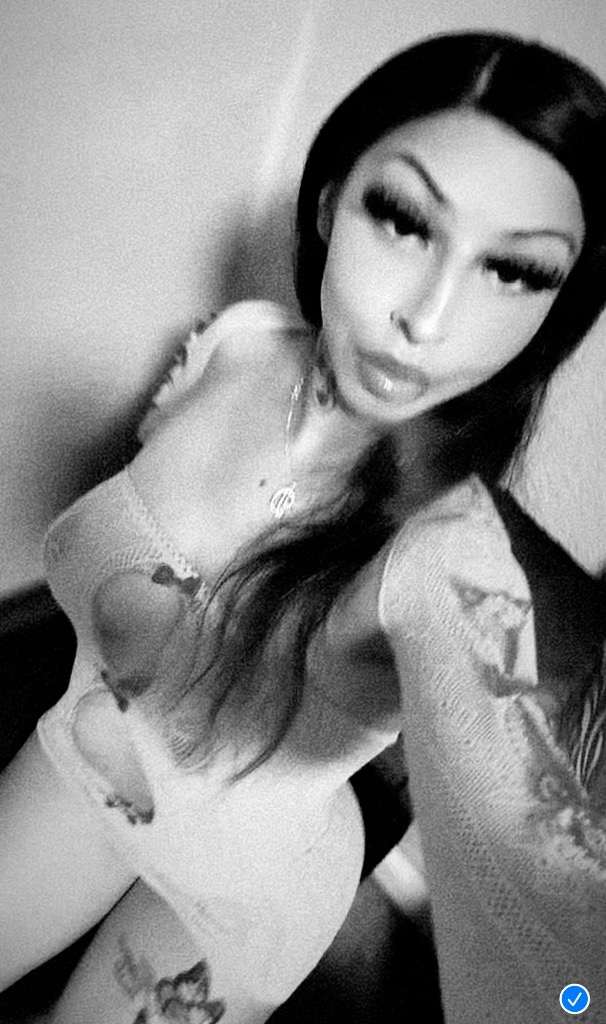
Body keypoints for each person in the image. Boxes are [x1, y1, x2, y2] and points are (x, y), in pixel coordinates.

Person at [1, 29, 606, 1024]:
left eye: (514, 272)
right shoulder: (237, 347)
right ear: (329, 200)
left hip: (238, 893)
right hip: (89, 748)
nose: (429, 318)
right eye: (404, 220)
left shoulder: (456, 566)